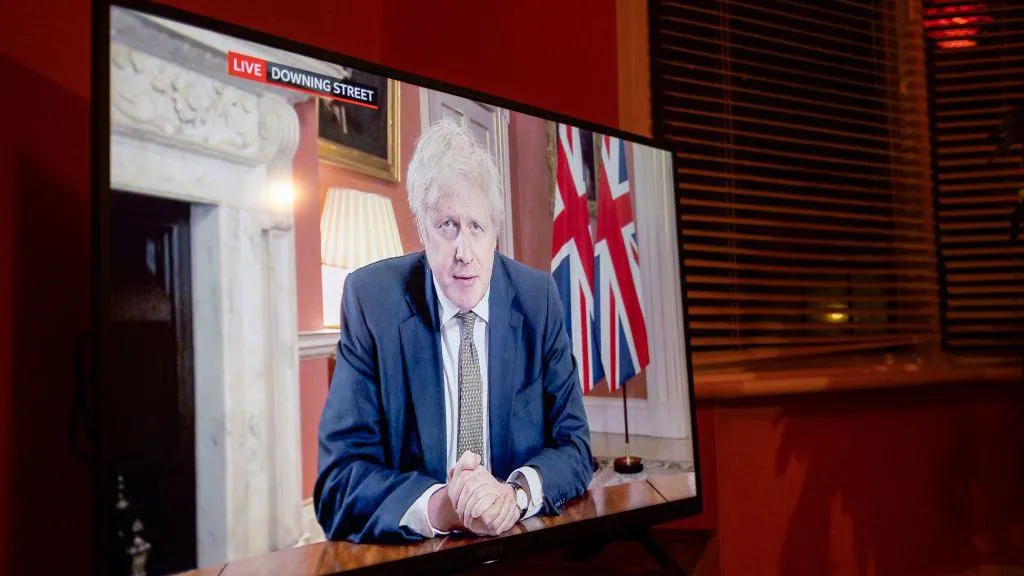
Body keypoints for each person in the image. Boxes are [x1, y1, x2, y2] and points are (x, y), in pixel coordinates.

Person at [314, 117, 593, 543]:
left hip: (518, 545)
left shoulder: (538, 299)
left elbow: (575, 447)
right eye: (448, 226)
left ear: (495, 233)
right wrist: (443, 506)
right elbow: (339, 482)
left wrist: (514, 495)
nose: (464, 253)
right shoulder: (373, 302)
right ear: (422, 230)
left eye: (477, 227)